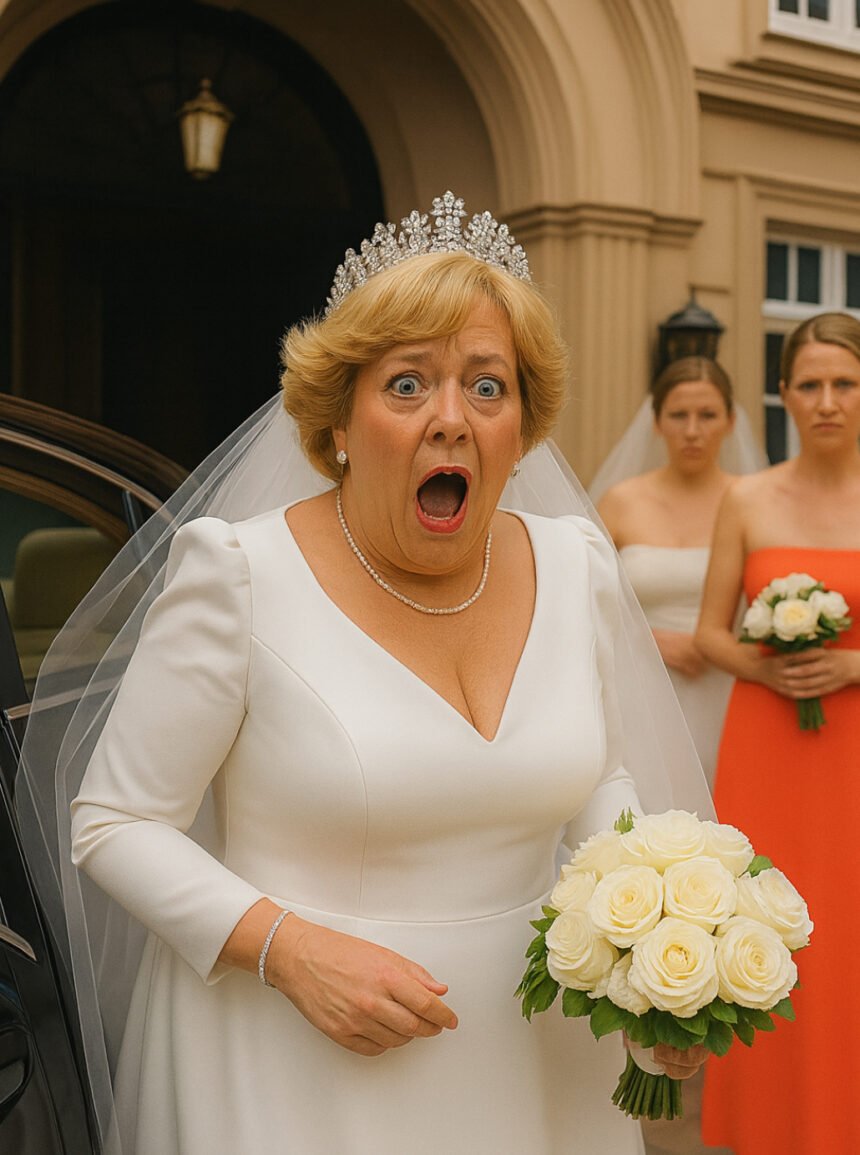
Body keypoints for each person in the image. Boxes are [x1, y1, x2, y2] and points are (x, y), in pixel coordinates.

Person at [17, 194, 711, 1155]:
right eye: (407, 384)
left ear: (521, 428)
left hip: (540, 1057)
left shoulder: (575, 565)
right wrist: (290, 950)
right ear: (339, 420)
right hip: (299, 1060)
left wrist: (649, 957)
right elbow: (113, 821)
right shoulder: (239, 574)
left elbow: (599, 778)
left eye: (487, 386)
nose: (450, 419)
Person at [698, 312, 860, 1154]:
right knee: (770, 931)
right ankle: (766, 1129)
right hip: (767, 742)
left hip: (854, 750)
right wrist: (764, 669)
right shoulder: (747, 498)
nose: (828, 401)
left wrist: (853, 664)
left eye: (845, 384)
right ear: (785, 394)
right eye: (811, 385)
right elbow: (710, 633)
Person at [594, 357, 765, 784]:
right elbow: (582, 602)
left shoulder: (755, 502)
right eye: (678, 415)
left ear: (730, 421)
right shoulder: (621, 502)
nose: (692, 430)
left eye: (707, 415)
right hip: (640, 689)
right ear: (656, 422)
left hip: (729, 687)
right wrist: (645, 640)